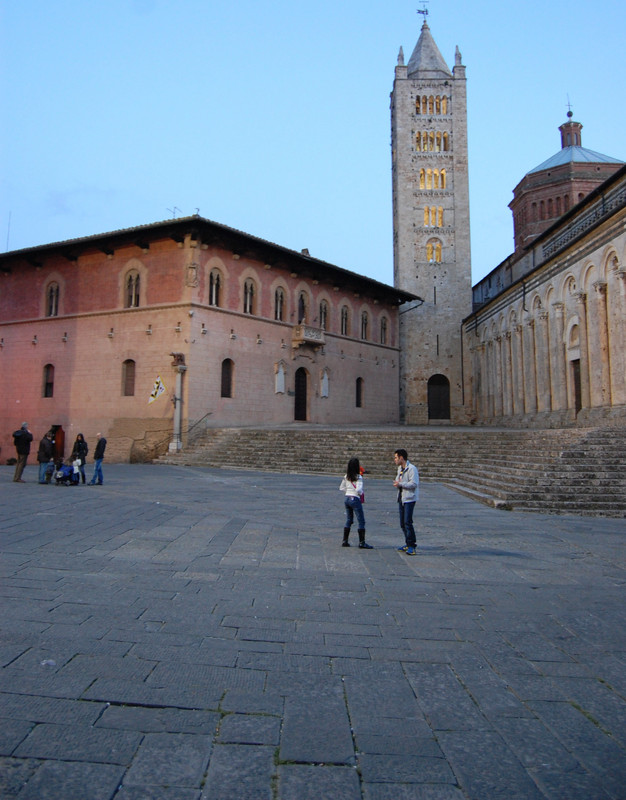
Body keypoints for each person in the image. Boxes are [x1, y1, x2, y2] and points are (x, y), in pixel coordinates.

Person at [339, 456, 373, 549]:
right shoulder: (359, 477)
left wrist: (348, 491)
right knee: (361, 520)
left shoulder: (346, 476)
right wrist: (360, 493)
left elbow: (341, 488)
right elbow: (358, 489)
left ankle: (345, 540)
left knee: (349, 519)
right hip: (355, 498)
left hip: (347, 498)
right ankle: (362, 542)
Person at [393, 448, 419, 556]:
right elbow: (398, 479)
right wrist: (397, 483)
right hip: (401, 497)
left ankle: (412, 545)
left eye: (396, 457)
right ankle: (408, 543)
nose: (395, 460)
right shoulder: (400, 469)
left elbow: (414, 483)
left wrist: (401, 484)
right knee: (402, 523)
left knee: (408, 522)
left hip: (409, 498)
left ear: (401, 457)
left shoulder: (412, 469)